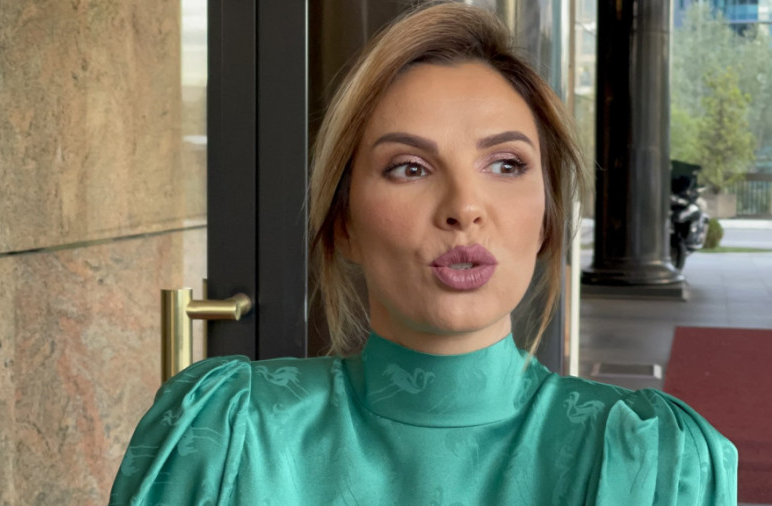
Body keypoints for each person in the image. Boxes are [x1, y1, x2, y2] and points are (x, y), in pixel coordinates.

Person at [110, 3, 738, 504]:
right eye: (409, 167)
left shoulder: (650, 461)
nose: (464, 207)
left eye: (506, 164)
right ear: (343, 224)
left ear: (548, 220)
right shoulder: (226, 437)